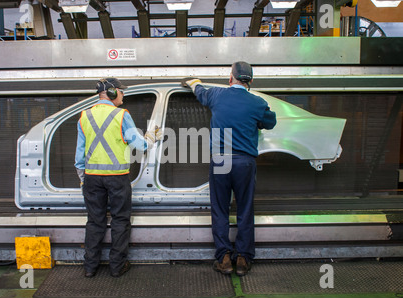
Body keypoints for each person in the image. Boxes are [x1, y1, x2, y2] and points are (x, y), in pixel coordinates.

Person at [182, 62, 276, 276]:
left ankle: (224, 257)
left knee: (220, 209)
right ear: (250, 81)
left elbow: (200, 92)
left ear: (230, 78)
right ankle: (242, 258)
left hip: (221, 160)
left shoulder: (216, 95)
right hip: (244, 162)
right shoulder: (257, 102)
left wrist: (193, 83)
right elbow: (270, 123)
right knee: (244, 209)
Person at [75, 77, 162, 278]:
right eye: (121, 91)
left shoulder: (84, 116)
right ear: (113, 93)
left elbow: (79, 155)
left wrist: (83, 179)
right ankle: (117, 266)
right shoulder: (122, 115)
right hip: (117, 178)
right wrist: (151, 138)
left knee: (94, 221)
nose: (123, 95)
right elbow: (140, 145)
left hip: (92, 178)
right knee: (120, 220)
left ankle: (89, 267)